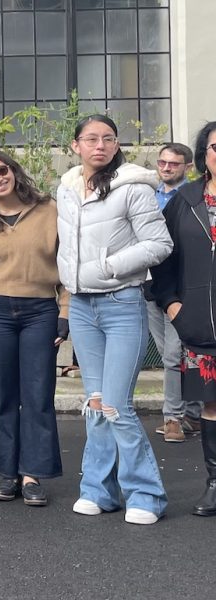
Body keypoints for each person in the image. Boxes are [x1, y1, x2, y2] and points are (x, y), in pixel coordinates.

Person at [56, 114, 172, 525]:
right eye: (91, 139)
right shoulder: (68, 188)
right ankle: (98, 490)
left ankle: (146, 495)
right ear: (76, 146)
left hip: (121, 302)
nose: (99, 146)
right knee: (95, 402)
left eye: (107, 138)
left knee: (117, 405)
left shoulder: (133, 187)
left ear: (116, 144)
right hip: (83, 308)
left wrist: (107, 268)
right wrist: (68, 296)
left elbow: (159, 243)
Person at [0, 148, 68, 506]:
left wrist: (64, 313)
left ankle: (33, 474)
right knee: (4, 396)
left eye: (1, 170)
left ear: (13, 170)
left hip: (40, 310)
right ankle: (8, 473)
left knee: (38, 395)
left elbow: (68, 263)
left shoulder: (49, 210)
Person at [151, 121, 216, 517]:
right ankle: (214, 483)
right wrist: (174, 306)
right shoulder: (186, 199)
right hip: (202, 325)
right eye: (215, 146)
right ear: (204, 154)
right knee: (211, 405)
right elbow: (163, 260)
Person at [147, 143, 201, 442]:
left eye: (174, 164)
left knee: (172, 354)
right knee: (175, 354)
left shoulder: (192, 199)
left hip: (179, 288)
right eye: (163, 163)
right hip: (148, 285)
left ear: (188, 167)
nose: (166, 168)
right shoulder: (147, 195)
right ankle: (191, 411)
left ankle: (173, 418)